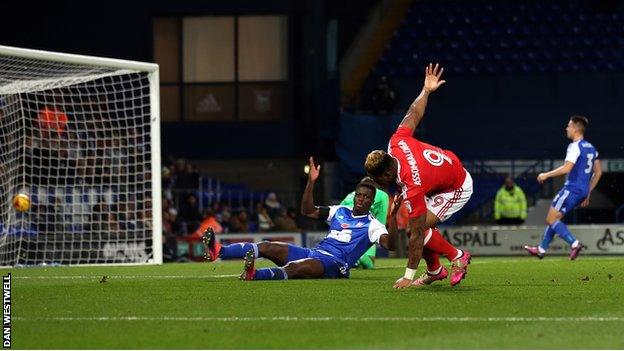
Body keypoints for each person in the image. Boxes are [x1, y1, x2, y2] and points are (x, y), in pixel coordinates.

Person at [202, 157, 401, 280]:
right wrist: (311, 183)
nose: (361, 199)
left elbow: (390, 244)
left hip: (335, 264)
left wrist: (392, 218)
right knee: (268, 247)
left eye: (366, 197)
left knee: (296, 268)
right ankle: (218, 251)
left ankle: (254, 274)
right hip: (315, 252)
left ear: (372, 200)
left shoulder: (372, 225)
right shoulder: (340, 211)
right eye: (359, 195)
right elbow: (308, 210)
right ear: (355, 195)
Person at [364, 63, 473, 289]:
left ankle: (457, 255)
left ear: (387, 173)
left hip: (457, 185)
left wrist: (408, 276)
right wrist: (426, 90)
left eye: (379, 180)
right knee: (417, 226)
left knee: (418, 228)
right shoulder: (396, 143)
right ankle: (435, 270)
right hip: (440, 173)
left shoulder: (412, 185)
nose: (379, 184)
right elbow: (413, 113)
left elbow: (415, 236)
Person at [524, 115, 602, 260]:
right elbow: (598, 172)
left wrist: (546, 175)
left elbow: (567, 168)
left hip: (571, 188)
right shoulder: (591, 148)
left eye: (569, 125)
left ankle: (574, 243)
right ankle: (541, 249)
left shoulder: (575, 146)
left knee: (551, 219)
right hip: (582, 190)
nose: (567, 128)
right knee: (556, 219)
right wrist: (588, 192)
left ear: (576, 128)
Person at [340, 176, 390, 269]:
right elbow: (381, 221)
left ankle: (350, 259)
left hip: (345, 228)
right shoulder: (382, 196)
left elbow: (338, 213)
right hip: (364, 228)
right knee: (369, 265)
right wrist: (378, 232)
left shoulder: (351, 195)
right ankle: (355, 258)